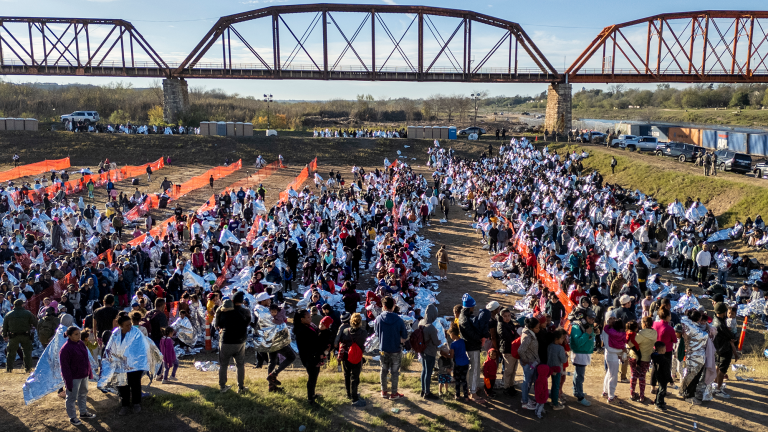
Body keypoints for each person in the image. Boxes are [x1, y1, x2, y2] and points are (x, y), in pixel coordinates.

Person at [213, 292, 251, 394]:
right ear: (242, 301)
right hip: (240, 341)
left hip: (225, 340)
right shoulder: (246, 312)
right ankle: (241, 387)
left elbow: (217, 325)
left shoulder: (224, 312)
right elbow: (248, 324)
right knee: (240, 365)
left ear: (232, 301)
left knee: (223, 365)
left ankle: (222, 387)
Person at [59, 326, 96, 425]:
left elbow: (86, 359)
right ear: (69, 336)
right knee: (71, 397)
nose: (79, 336)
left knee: (83, 394)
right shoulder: (65, 349)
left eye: (79, 333)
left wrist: (89, 373)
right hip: (74, 377)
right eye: (76, 334)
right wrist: (68, 382)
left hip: (83, 374)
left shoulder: (81, 344)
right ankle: (72, 417)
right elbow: (65, 367)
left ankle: (83, 412)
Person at [374, 296, 408, 400]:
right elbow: (405, 336)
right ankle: (394, 393)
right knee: (394, 372)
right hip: (395, 349)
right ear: (393, 306)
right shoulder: (399, 320)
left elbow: (376, 333)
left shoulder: (378, 319)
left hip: (383, 348)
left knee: (383, 370)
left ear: (383, 306)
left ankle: (383, 391)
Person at [458, 293, 484, 403]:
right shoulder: (465, 318)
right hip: (472, 346)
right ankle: (473, 393)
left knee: (471, 369)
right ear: (471, 307)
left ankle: (471, 388)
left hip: (468, 346)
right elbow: (472, 334)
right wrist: (481, 337)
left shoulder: (463, 316)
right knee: (474, 369)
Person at [294, 309, 324, 404]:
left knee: (315, 375)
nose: (310, 318)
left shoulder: (310, 325)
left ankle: (313, 394)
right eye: (307, 317)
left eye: (310, 316)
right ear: (301, 319)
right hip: (309, 356)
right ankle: (310, 398)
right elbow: (308, 345)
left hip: (315, 355)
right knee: (312, 377)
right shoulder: (301, 330)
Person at [337, 312, 367, 407]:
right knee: (355, 376)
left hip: (346, 356)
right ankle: (355, 398)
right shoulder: (363, 333)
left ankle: (349, 394)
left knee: (347, 375)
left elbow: (342, 342)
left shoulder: (346, 331)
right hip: (357, 357)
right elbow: (364, 344)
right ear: (360, 322)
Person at [2, 299, 38, 373]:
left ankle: (9, 369)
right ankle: (28, 368)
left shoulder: (8, 314)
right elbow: (35, 323)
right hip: (26, 336)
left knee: (11, 352)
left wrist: (5, 335)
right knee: (27, 352)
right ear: (22, 305)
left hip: (13, 336)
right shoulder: (28, 313)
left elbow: (5, 326)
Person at [569, 308, 595, 406]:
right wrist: (587, 334)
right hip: (580, 354)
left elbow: (590, 337)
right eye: (590, 318)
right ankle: (580, 397)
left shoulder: (587, 325)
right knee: (580, 376)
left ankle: (577, 391)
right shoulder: (577, 326)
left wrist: (593, 333)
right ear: (584, 317)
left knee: (577, 374)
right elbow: (578, 342)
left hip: (584, 352)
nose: (592, 321)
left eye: (593, 319)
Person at [712, 302, 738, 398]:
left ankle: (715, 384)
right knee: (722, 370)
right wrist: (734, 340)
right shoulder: (721, 324)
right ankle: (718, 389)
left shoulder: (716, 319)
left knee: (718, 366)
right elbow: (730, 336)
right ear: (723, 312)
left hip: (718, 348)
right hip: (724, 348)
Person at [627, 317, 657, 403]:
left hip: (635, 358)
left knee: (633, 376)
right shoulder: (654, 333)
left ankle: (632, 395)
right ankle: (642, 396)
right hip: (646, 358)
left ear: (644, 324)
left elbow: (630, 344)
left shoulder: (640, 334)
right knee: (642, 377)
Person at [518, 317, 540, 410]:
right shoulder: (528, 336)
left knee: (528, 381)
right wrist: (525, 359)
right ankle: (525, 402)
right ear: (531, 328)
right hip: (529, 363)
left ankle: (525, 398)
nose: (538, 329)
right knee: (526, 382)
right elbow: (521, 350)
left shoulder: (530, 334)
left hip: (531, 361)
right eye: (537, 328)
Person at [419, 304, 440, 399]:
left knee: (424, 370)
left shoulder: (421, 323)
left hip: (422, 350)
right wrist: (440, 341)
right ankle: (427, 393)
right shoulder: (431, 327)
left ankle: (423, 390)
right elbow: (435, 342)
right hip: (430, 351)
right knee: (428, 372)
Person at [602, 318, 626, 404]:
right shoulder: (608, 332)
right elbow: (609, 348)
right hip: (612, 356)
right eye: (611, 318)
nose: (613, 320)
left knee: (609, 373)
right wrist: (621, 351)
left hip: (611, 356)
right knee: (613, 376)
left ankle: (606, 392)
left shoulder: (608, 331)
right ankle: (611, 396)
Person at [497, 308, 519, 396]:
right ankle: (506, 387)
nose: (507, 318)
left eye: (509, 316)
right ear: (501, 317)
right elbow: (505, 336)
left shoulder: (509, 324)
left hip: (513, 349)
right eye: (505, 316)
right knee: (508, 370)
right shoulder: (501, 325)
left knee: (513, 369)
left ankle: (511, 385)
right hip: (507, 350)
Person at [547, 329, 567, 410]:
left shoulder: (549, 346)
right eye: (562, 338)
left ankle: (553, 400)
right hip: (557, 369)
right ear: (557, 338)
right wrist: (566, 356)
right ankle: (555, 403)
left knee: (553, 385)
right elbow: (563, 360)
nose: (563, 340)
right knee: (556, 386)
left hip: (549, 368)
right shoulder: (560, 348)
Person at [448, 324, 469, 401]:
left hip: (458, 363)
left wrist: (447, 353)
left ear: (452, 334)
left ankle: (457, 395)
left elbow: (452, 355)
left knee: (457, 380)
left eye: (450, 335)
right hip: (465, 362)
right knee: (464, 380)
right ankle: (466, 396)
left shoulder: (453, 344)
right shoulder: (463, 341)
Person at [650, 341, 672, 411]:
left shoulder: (655, 356)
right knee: (662, 390)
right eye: (665, 348)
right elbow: (667, 371)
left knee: (660, 389)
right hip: (663, 377)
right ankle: (659, 404)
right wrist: (670, 379)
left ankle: (658, 401)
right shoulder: (664, 360)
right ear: (663, 350)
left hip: (658, 375)